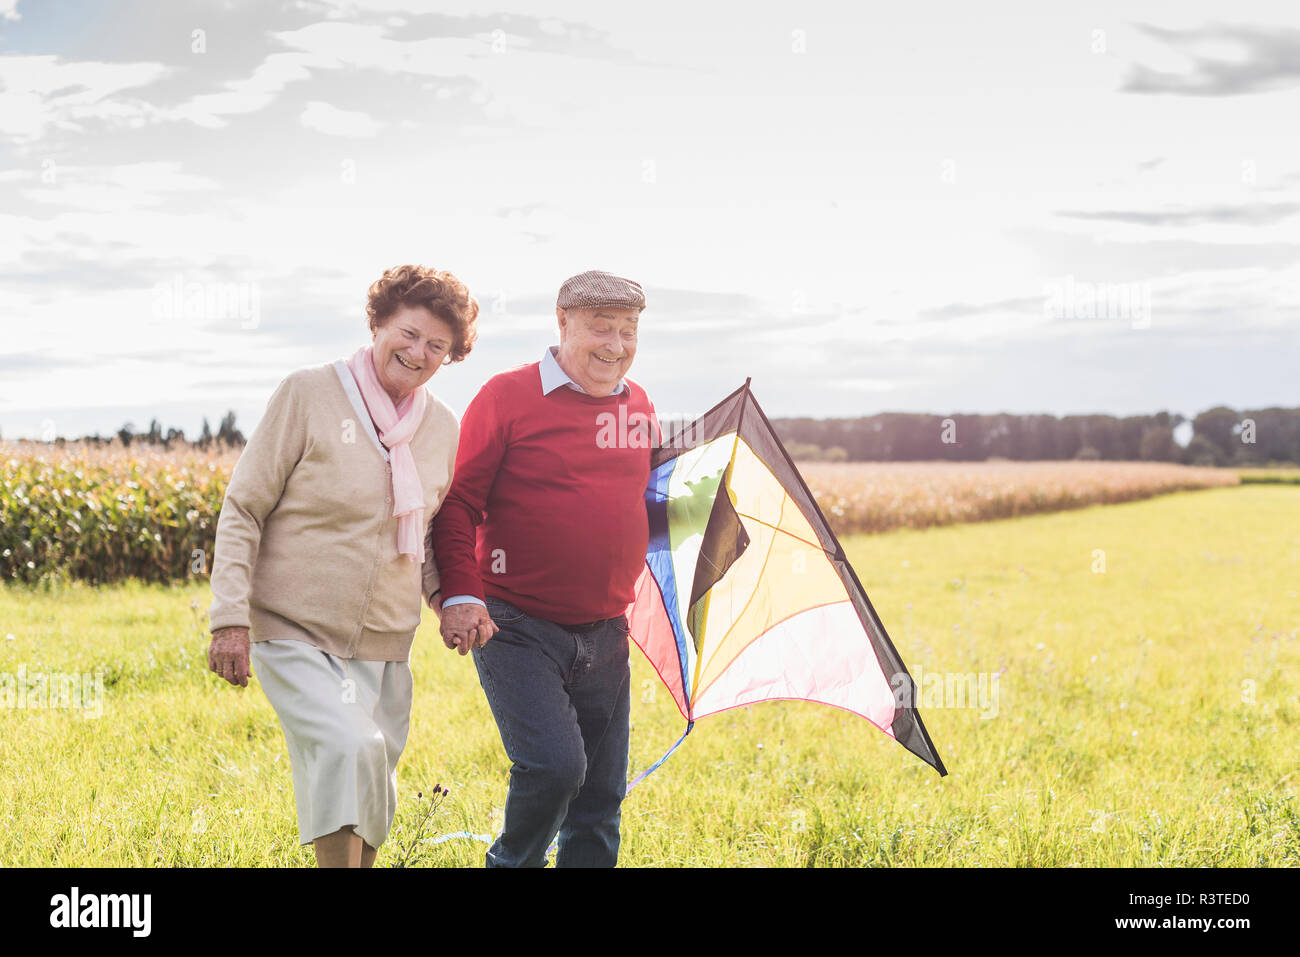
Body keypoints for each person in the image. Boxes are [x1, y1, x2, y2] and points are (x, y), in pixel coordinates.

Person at [206, 264, 479, 868]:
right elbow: (243, 508)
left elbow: (427, 531)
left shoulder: (441, 427)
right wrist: (229, 618)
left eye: (437, 345)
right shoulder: (308, 393)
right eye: (408, 334)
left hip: (386, 638)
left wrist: (452, 599)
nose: (418, 352)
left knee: (375, 772)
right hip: (294, 626)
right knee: (348, 745)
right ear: (378, 322)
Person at [432, 269, 655, 868]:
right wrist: (460, 593)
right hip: (516, 623)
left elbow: (638, 505)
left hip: (608, 631)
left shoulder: (640, 408)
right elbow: (458, 504)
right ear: (563, 324)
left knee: (601, 800)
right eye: (600, 328)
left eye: (629, 331)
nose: (615, 344)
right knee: (557, 767)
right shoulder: (507, 396)